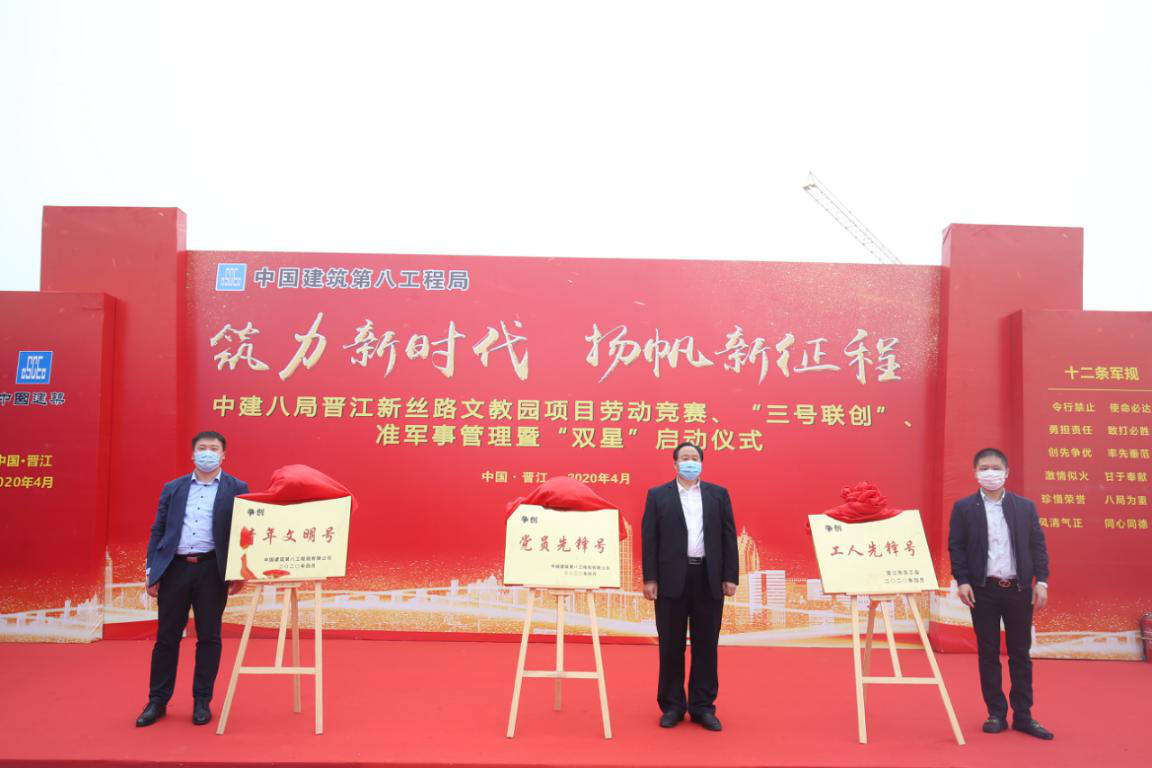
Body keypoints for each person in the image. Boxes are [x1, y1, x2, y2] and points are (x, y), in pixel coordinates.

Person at [135, 431, 249, 727]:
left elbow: (243, 532)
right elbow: (158, 530)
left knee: (209, 637)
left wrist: (240, 572)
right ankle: (157, 701)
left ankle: (202, 700)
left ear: (223, 455)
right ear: (193, 454)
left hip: (212, 569)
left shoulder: (237, 488)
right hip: (175, 568)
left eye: (214, 449)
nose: (207, 453)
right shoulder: (173, 488)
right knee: (166, 638)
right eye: (202, 448)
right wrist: (152, 571)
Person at [948, 447, 1053, 740]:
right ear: (975, 472)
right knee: (988, 653)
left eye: (996, 468)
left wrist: (1042, 581)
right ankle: (995, 712)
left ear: (1007, 472)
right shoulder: (964, 508)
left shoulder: (1024, 507)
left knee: (1020, 653)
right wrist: (962, 580)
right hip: (983, 590)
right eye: (984, 468)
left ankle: (1023, 715)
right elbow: (956, 546)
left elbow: (1037, 546)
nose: (990, 473)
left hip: (1019, 589)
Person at [641, 441, 738, 731]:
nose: (690, 462)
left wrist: (730, 576)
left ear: (701, 463)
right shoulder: (658, 495)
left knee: (706, 645)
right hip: (671, 579)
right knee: (671, 646)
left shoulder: (718, 494)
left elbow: (728, 536)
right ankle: (672, 705)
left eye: (695, 458)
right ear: (675, 464)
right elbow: (650, 539)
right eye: (684, 458)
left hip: (708, 577)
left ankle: (702, 707)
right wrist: (650, 578)